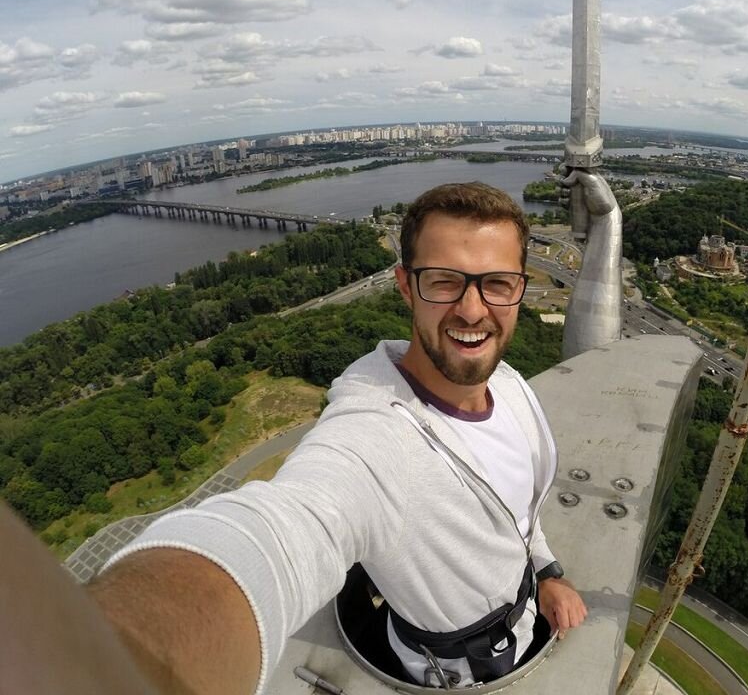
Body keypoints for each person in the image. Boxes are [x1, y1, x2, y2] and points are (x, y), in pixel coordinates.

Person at [81, 182, 587, 694]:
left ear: (521, 286)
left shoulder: (509, 385)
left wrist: (547, 571)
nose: (474, 310)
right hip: (458, 674)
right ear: (406, 286)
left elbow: (518, 511)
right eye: (444, 281)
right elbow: (291, 528)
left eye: (497, 283)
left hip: (526, 620)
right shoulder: (375, 433)